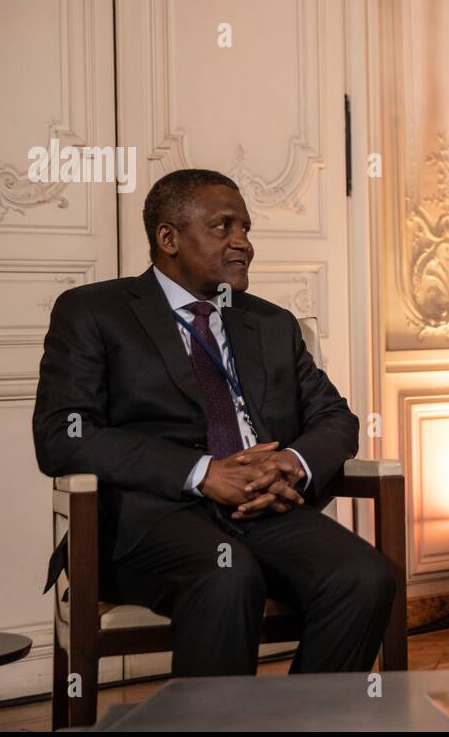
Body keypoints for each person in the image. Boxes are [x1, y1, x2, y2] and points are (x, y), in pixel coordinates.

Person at [34, 168, 394, 675]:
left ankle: (309, 723)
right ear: (169, 238)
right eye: (223, 227)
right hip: (150, 520)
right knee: (228, 573)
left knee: (364, 575)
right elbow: (61, 434)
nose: (243, 243)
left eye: (246, 229)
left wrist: (291, 463)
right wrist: (204, 473)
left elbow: (335, 417)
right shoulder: (94, 312)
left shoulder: (270, 323)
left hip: (265, 511)